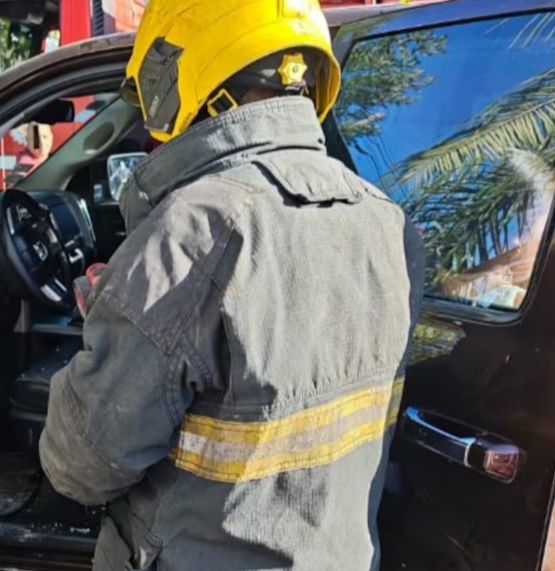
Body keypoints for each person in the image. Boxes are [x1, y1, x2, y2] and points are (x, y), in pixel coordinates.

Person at [38, 1, 426, 570]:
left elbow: (79, 465)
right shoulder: (389, 225)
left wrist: (111, 320)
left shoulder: (192, 236)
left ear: (188, 74)